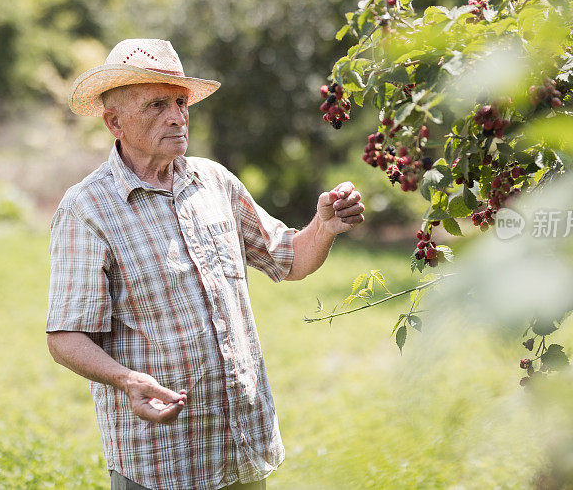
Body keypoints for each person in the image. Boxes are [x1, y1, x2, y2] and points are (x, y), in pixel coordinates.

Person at [45, 38, 365, 490]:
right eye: (156, 105)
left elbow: (289, 259)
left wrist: (325, 226)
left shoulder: (214, 182)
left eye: (180, 102)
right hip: (162, 460)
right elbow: (65, 336)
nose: (176, 116)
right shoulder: (87, 209)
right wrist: (126, 379)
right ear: (114, 122)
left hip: (242, 446)